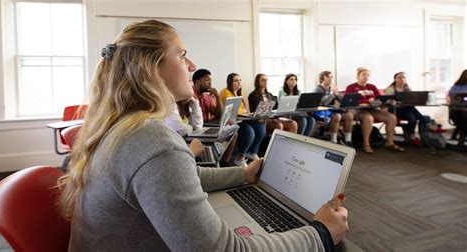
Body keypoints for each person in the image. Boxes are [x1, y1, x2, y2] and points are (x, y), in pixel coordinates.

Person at [57, 19, 348, 251]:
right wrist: (320, 234)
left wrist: (242, 175)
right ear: (151, 66)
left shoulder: (125, 125)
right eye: (182, 55)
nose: (192, 65)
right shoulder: (151, 140)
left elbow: (184, 176)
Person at [345, 67, 405, 153]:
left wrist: (388, 101)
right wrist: (366, 101)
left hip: (372, 109)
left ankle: (389, 142)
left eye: (368, 75)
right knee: (368, 118)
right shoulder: (351, 87)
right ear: (358, 76)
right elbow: (349, 101)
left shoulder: (372, 86)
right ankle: (366, 144)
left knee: (392, 118)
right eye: (364, 74)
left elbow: (379, 98)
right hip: (359, 110)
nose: (366, 76)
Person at [220, 73, 266, 166]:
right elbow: (232, 111)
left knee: (261, 127)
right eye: (236, 80)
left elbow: (246, 110)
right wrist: (243, 111)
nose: (239, 82)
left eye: (240, 80)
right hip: (232, 121)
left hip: (243, 119)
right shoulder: (225, 92)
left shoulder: (241, 92)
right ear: (230, 82)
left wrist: (243, 99)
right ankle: (239, 157)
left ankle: (252, 152)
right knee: (250, 131)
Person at [384, 72, 427, 146]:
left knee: (412, 117)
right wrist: (391, 101)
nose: (402, 79)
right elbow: (385, 101)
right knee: (412, 111)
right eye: (400, 77)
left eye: (404, 77)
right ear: (395, 79)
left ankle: (411, 135)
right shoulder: (390, 89)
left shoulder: (407, 88)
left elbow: (411, 100)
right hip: (394, 110)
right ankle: (425, 124)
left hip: (406, 109)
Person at [315, 71, 354, 145]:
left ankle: (348, 140)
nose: (330, 78)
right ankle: (333, 141)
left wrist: (337, 93)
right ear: (322, 78)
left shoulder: (331, 89)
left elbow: (342, 101)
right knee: (337, 116)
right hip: (320, 111)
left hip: (331, 110)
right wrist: (333, 94)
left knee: (349, 115)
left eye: (331, 77)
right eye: (328, 77)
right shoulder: (318, 89)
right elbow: (323, 103)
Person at [448, 70, 467, 140]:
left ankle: (457, 137)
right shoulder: (455, 87)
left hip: (462, 111)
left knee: (463, 120)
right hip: (457, 111)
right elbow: (452, 100)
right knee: (463, 118)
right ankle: (462, 139)